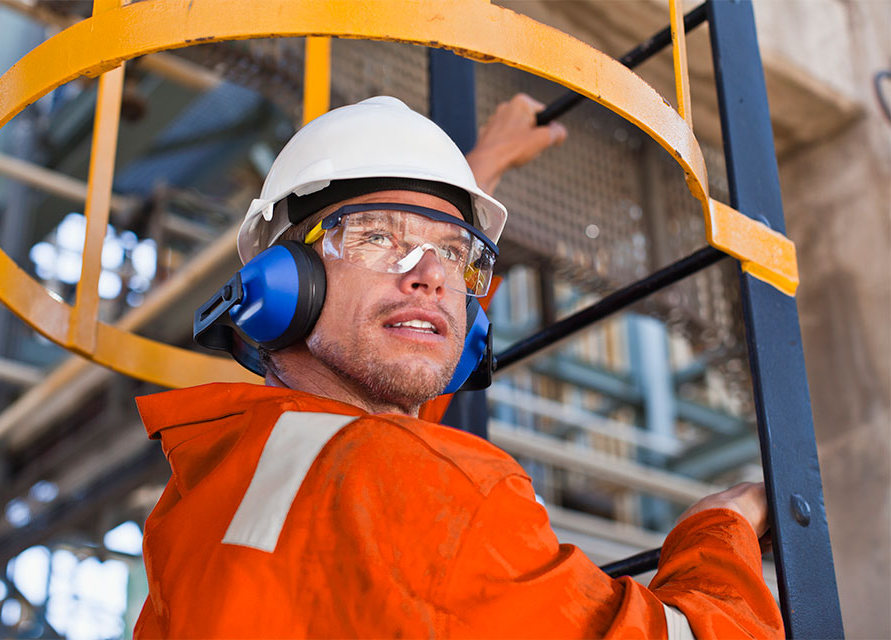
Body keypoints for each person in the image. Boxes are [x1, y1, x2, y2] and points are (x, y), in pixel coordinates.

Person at [133, 94, 784, 638]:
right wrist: (719, 530)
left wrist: (481, 170)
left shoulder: (206, 494)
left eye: (453, 254)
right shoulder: (439, 490)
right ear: (283, 282)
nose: (433, 280)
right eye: (377, 237)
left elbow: (372, 452)